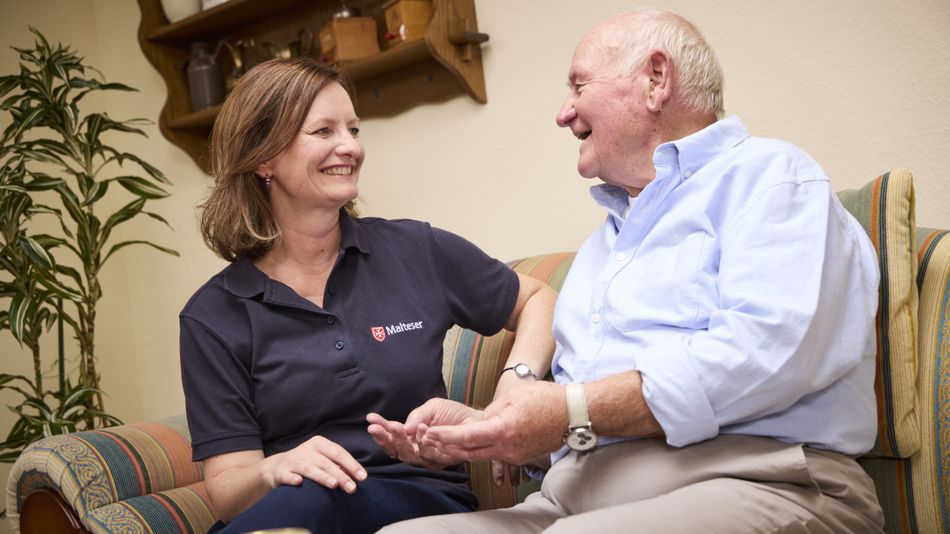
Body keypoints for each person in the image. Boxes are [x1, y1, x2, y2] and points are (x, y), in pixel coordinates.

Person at [373, 9, 886, 534]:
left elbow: (765, 353)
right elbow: (573, 416)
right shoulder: (604, 245)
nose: (563, 113)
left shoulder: (772, 179)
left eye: (578, 85)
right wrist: (491, 430)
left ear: (656, 80)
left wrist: (568, 410)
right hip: (572, 500)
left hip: (762, 483)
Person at [178, 57, 556, 534]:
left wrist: (515, 387)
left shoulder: (415, 249)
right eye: (324, 131)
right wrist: (275, 468)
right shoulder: (213, 316)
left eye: (354, 129)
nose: (350, 146)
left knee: (314, 500)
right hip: (291, 510)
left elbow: (538, 298)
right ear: (264, 157)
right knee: (305, 496)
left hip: (423, 500)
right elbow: (228, 491)